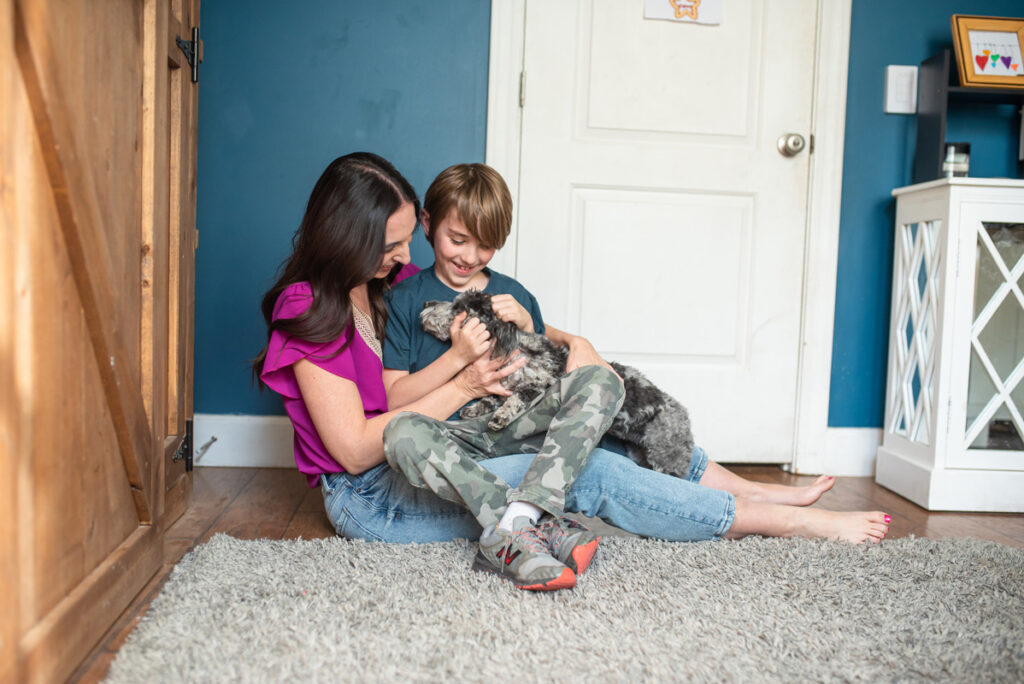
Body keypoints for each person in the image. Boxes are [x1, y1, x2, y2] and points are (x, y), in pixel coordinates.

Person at [253, 154, 890, 592]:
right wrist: (466, 384)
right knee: (591, 469)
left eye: (402, 242)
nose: (402, 257)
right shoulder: (310, 306)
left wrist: (568, 339)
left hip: (448, 439)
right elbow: (358, 447)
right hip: (375, 493)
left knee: (603, 393)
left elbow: (484, 315)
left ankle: (530, 519)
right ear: (346, 237)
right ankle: (782, 520)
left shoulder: (379, 283)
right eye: (390, 244)